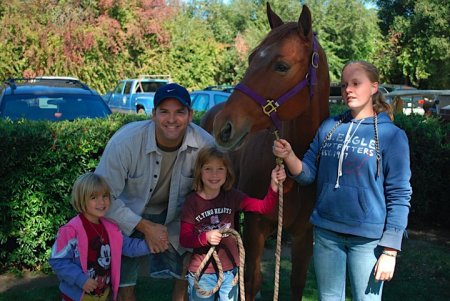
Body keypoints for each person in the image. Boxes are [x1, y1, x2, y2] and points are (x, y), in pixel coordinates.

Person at [273, 60, 412, 300]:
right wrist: (289, 156)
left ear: (373, 87)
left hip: (368, 239)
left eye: (356, 83)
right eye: (345, 84)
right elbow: (307, 174)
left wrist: (390, 250)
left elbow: (399, 193)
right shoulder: (328, 127)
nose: (348, 89)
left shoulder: (392, 136)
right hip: (327, 232)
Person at [95, 83, 214, 301]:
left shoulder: (205, 145)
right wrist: (145, 226)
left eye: (179, 112)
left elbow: (215, 194)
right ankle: (124, 290)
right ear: (153, 114)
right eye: (164, 112)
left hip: (178, 215)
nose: (172, 119)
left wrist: (198, 236)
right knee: (124, 283)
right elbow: (100, 198)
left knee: (186, 273)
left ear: (190, 115)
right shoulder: (125, 143)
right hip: (126, 214)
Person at [179, 146, 286, 301]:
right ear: (199, 172)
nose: (214, 175)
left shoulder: (232, 197)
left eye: (220, 169)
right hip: (203, 273)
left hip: (230, 272)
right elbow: (184, 239)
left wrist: (274, 185)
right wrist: (205, 237)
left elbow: (264, 207)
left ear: (227, 172)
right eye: (208, 169)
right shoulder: (192, 203)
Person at [49, 172, 151, 301]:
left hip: (103, 295)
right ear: (81, 199)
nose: (101, 201)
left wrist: (150, 245)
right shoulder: (70, 230)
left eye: (105, 196)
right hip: (76, 297)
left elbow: (128, 246)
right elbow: (57, 261)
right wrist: (81, 279)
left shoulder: (111, 228)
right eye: (93, 197)